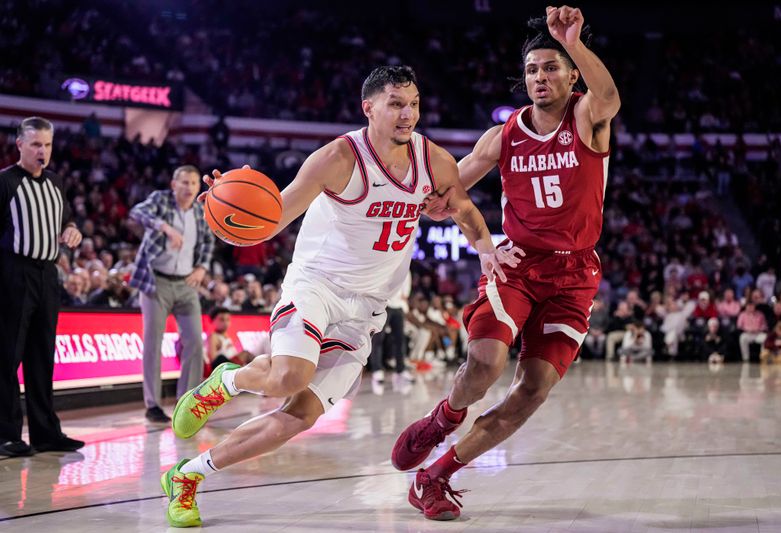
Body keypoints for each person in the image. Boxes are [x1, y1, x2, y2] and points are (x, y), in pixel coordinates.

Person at [160, 65, 520, 528]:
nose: (407, 113)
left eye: (413, 103)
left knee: (299, 416)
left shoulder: (435, 162)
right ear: (368, 107)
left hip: (368, 308)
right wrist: (227, 210)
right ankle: (226, 383)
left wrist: (486, 248)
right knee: (290, 376)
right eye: (395, 103)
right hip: (317, 286)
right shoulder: (337, 158)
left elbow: (465, 210)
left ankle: (188, 476)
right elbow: (274, 218)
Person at [391, 7, 621, 520]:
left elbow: (609, 99)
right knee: (488, 363)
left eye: (552, 67)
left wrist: (574, 40)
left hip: (574, 276)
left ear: (572, 74)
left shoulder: (587, 116)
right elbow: (453, 184)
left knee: (533, 389)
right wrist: (430, 202)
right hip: (517, 265)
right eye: (534, 69)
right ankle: (444, 418)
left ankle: (436, 476)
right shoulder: (505, 134)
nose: (541, 77)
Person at [0, 117, 85, 457]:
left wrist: (72, 230)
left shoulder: (55, 182)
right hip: (13, 273)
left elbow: (65, 220)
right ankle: (7, 435)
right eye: (36, 144)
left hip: (48, 274)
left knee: (42, 357)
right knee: (8, 357)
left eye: (47, 145)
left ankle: (46, 434)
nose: (42, 151)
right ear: (19, 144)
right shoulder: (5, 182)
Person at [129, 165, 214, 424]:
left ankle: (187, 402)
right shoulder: (160, 199)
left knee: (195, 344)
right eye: (184, 182)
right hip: (156, 281)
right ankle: (152, 405)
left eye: (193, 183)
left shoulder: (201, 211)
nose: (189, 187)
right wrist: (165, 227)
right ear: (174, 184)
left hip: (187, 284)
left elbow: (209, 241)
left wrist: (202, 267)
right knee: (153, 343)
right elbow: (137, 212)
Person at [205, 306, 256, 373]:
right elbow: (214, 361)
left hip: (232, 364)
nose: (225, 323)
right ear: (213, 321)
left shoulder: (226, 336)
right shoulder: (213, 337)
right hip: (224, 368)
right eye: (222, 320)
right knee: (245, 354)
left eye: (228, 319)